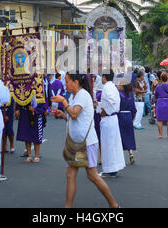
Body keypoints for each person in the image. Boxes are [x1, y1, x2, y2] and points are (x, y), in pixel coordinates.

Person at [50, 72, 119, 209]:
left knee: (92, 175)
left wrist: (63, 102)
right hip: (75, 142)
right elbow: (73, 118)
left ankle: (113, 204)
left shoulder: (82, 95)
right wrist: (63, 114)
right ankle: (68, 206)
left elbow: (75, 114)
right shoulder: (74, 96)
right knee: (70, 174)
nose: (65, 84)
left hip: (86, 142)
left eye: (67, 81)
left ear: (76, 82)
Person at [94, 70, 125, 178]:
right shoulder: (112, 86)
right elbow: (111, 102)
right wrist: (99, 105)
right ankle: (112, 168)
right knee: (112, 144)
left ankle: (109, 169)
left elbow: (112, 102)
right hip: (111, 118)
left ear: (104, 77)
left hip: (108, 118)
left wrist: (105, 110)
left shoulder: (107, 87)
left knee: (108, 145)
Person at [15, 97, 48, 163]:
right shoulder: (25, 87)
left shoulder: (40, 89)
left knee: (36, 135)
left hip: (37, 114)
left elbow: (44, 103)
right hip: (25, 113)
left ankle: (36, 156)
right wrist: (17, 109)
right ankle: (29, 155)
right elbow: (19, 96)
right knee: (26, 134)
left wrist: (35, 110)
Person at [116, 77, 137, 165]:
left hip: (120, 115)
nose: (117, 86)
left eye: (119, 84)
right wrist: (131, 118)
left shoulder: (118, 94)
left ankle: (118, 157)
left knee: (119, 136)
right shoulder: (131, 95)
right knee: (128, 136)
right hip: (128, 116)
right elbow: (134, 109)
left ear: (122, 86)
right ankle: (131, 153)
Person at [154, 72, 168, 140]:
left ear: (161, 78)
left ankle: (160, 134)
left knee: (159, 119)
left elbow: (155, 96)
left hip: (160, 102)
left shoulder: (158, 87)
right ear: (167, 78)